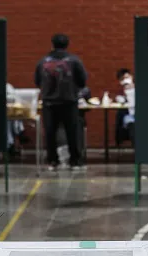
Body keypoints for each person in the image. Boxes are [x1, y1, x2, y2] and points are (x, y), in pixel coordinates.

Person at [35, 33, 87, 171]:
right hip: (69, 102)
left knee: (50, 132)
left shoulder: (43, 61)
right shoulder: (74, 61)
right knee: (72, 132)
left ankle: (53, 161)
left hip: (49, 103)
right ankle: (75, 161)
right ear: (67, 45)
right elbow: (82, 80)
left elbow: (37, 81)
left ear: (52, 44)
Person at [114, 68, 135, 146]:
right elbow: (120, 100)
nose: (126, 80)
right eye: (123, 79)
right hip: (130, 116)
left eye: (127, 77)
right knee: (131, 123)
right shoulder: (121, 92)